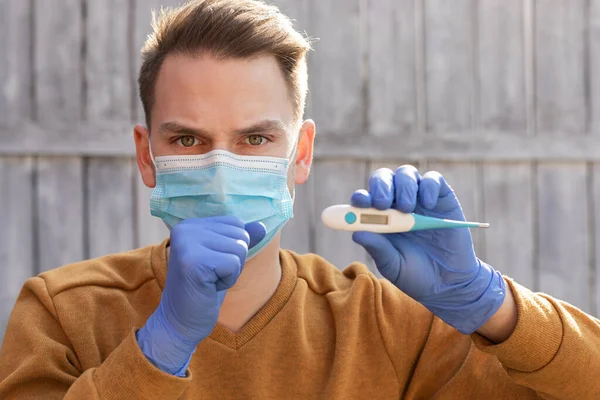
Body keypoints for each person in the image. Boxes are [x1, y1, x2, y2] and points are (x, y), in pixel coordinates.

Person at [1, 0, 599, 398]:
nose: (220, 167)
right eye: (188, 138)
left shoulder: (386, 325)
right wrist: (162, 347)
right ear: (145, 154)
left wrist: (490, 306)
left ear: (302, 153)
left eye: (255, 138)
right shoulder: (62, 313)